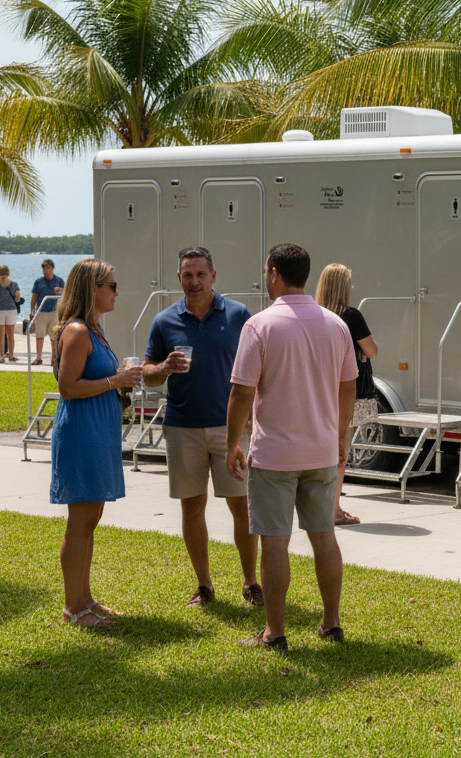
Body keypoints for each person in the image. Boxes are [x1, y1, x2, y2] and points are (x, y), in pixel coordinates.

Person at [226, 243, 357, 649]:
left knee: (275, 543)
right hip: (321, 451)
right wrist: (340, 434)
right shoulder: (336, 325)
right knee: (324, 537)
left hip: (276, 455)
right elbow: (348, 386)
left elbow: (242, 393)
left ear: (274, 274)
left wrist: (233, 441)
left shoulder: (260, 325)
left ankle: (275, 632)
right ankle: (331, 623)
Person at [142, 247, 261, 609]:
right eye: (187, 275)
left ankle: (251, 582)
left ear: (214, 275)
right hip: (183, 428)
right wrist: (162, 368)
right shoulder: (164, 321)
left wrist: (255, 421)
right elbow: (147, 374)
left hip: (232, 430)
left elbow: (260, 369)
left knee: (241, 507)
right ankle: (204, 585)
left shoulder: (240, 316)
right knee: (192, 507)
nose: (194, 281)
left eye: (200, 274)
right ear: (178, 278)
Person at [49, 259, 143, 626]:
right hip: (81, 432)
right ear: (92, 289)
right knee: (80, 520)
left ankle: (85, 599)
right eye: (112, 286)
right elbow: (67, 388)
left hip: (97, 430)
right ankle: (74, 607)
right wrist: (115, 381)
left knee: (91, 518)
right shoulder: (76, 331)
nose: (117, 292)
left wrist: (119, 381)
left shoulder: (93, 329)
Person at [314, 263, 378, 527]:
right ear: (343, 286)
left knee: (321, 450)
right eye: (349, 283)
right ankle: (334, 510)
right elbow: (372, 350)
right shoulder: (350, 315)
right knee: (340, 451)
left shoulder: (315, 314)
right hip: (349, 391)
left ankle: (319, 504)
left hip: (319, 390)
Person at [30, 259, 66, 366]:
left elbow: (66, 295)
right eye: (43, 268)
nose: (45, 270)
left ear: (52, 268)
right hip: (41, 312)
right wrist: (32, 311)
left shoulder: (59, 281)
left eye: (47, 267)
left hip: (55, 312)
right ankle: (38, 358)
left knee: (54, 336)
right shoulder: (38, 282)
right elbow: (34, 297)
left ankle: (54, 359)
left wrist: (61, 291)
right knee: (39, 335)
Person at [0, 265, 22, 364]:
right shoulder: (14, 284)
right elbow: (18, 298)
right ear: (8, 272)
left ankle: (2, 356)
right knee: (10, 334)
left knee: (1, 334)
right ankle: (11, 355)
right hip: (11, 310)